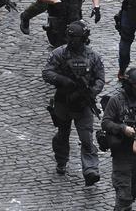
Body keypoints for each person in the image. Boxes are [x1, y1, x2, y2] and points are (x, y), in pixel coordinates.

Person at [42, 20, 105, 185]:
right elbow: (47, 72)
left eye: (75, 37)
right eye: (70, 37)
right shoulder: (59, 54)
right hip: (63, 102)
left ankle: (91, 170)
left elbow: (100, 79)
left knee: (86, 138)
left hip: (83, 105)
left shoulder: (93, 56)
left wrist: (90, 92)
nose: (72, 41)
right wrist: (62, 80)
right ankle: (61, 161)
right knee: (63, 134)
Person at [101, 67, 136, 210]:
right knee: (124, 193)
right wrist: (122, 129)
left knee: (134, 190)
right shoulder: (116, 101)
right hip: (122, 152)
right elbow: (106, 122)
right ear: (128, 85)